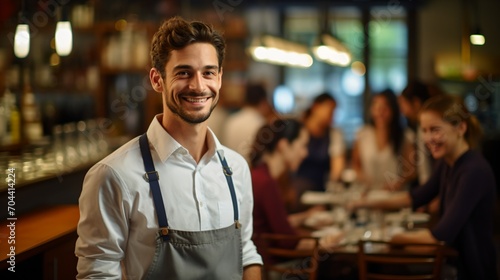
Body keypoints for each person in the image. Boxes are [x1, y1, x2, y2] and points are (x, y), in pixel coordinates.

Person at [75, 16, 262, 279]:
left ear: (219, 78)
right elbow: (98, 273)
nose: (198, 86)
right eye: (184, 72)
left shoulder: (236, 168)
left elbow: (246, 251)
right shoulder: (113, 175)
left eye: (208, 72)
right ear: (157, 79)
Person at [349, 94, 498, 280]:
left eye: (435, 130)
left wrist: (388, 237)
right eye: (424, 131)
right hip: (452, 265)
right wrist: (365, 202)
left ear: (460, 128)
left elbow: (438, 236)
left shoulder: (473, 170)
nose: (428, 139)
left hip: (472, 271)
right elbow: (414, 197)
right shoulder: (448, 162)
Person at [250, 118, 342, 254]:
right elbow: (289, 242)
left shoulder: (259, 174)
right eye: (303, 146)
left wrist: (306, 216)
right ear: (284, 146)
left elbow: (277, 224)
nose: (305, 153)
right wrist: (332, 240)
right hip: (271, 267)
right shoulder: (266, 182)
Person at [351, 89, 415, 191]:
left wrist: (399, 181)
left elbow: (412, 169)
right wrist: (363, 178)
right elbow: (356, 165)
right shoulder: (363, 134)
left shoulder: (405, 135)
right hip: (369, 194)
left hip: (395, 195)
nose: (380, 111)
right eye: (376, 106)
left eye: (385, 107)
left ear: (393, 109)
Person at [294, 92, 346, 193]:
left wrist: (335, 180)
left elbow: (337, 169)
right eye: (330, 110)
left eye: (334, 111)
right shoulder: (299, 130)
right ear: (315, 107)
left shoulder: (333, 134)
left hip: (321, 190)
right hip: (297, 187)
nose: (332, 115)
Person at [222, 83, 275, 164]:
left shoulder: (231, 121)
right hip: (249, 173)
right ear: (263, 102)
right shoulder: (261, 124)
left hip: (229, 171)